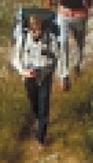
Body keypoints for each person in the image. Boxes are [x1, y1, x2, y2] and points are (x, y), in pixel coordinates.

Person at [13, 13, 59, 146]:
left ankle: (41, 137)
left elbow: (56, 56)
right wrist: (23, 71)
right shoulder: (22, 39)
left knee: (44, 102)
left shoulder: (50, 38)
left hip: (44, 74)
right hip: (28, 76)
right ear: (29, 28)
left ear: (42, 27)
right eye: (33, 29)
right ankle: (39, 120)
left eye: (38, 29)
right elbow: (15, 58)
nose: (36, 32)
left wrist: (47, 67)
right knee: (34, 102)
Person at [54, 0, 93, 91]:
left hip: (79, 15)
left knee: (79, 44)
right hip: (63, 15)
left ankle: (77, 65)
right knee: (62, 43)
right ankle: (64, 76)